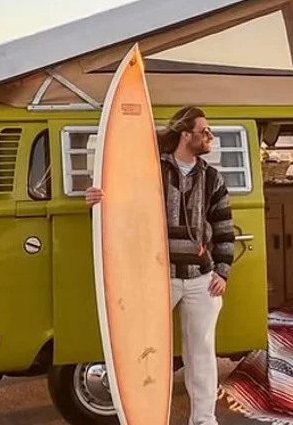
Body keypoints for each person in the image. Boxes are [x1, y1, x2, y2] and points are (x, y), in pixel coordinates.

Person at [85, 105, 234, 425]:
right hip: (156, 278)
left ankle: (204, 421)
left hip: (200, 279)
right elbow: (124, 209)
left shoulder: (212, 177)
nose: (210, 137)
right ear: (185, 135)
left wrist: (222, 270)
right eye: (204, 131)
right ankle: (145, 418)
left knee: (202, 354)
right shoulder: (152, 170)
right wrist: (98, 202)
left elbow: (223, 226)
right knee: (144, 349)